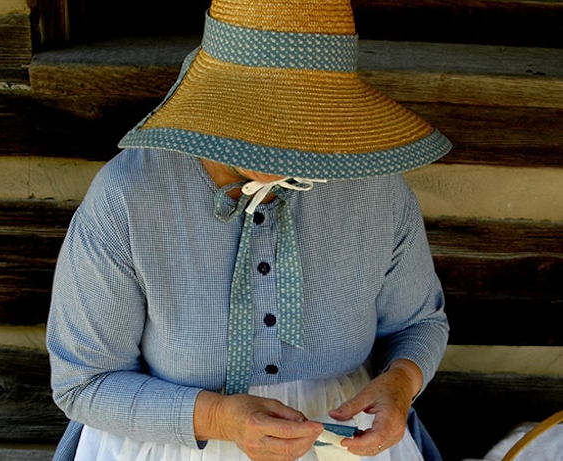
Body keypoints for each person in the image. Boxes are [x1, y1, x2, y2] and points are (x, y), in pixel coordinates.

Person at [46, 1, 452, 460]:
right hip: (172, 441)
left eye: (305, 123)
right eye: (264, 120)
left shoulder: (377, 187)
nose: (285, 147)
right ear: (213, 100)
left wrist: (400, 383)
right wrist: (220, 418)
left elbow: (418, 324)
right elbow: (85, 382)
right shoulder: (129, 196)